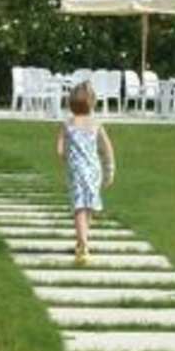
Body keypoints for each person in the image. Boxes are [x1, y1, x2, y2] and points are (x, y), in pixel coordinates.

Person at [56, 81, 116, 266]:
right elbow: (107, 149)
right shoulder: (96, 124)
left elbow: (59, 150)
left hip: (77, 171)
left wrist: (67, 157)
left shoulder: (68, 124)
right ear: (92, 103)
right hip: (93, 170)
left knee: (79, 207)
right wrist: (109, 170)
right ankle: (82, 241)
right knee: (87, 206)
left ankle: (83, 244)